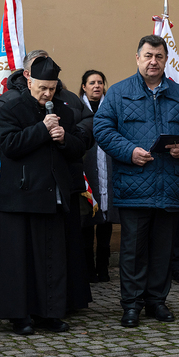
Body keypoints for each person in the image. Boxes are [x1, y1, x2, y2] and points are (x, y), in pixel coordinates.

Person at [95, 35, 179, 328]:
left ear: (165, 60)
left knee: (162, 250)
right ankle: (131, 305)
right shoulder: (119, 93)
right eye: (147, 56)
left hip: (170, 185)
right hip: (134, 185)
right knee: (133, 251)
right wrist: (129, 151)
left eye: (158, 56)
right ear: (137, 58)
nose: (153, 62)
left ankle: (157, 301)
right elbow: (102, 128)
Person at [0, 57, 85, 335]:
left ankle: (49, 312)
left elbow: (79, 147)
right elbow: (8, 145)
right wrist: (42, 129)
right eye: (43, 88)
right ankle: (19, 316)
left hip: (52, 197)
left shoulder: (63, 110)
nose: (47, 94)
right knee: (19, 262)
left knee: (51, 260)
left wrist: (64, 138)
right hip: (20, 197)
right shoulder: (9, 105)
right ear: (28, 78)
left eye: (52, 89)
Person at [79, 70, 118, 283]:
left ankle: (103, 268)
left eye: (100, 82)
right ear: (83, 86)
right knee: (86, 223)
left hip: (108, 171)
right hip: (86, 173)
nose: (97, 86)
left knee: (106, 222)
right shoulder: (77, 109)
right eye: (92, 83)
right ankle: (87, 269)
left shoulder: (111, 107)